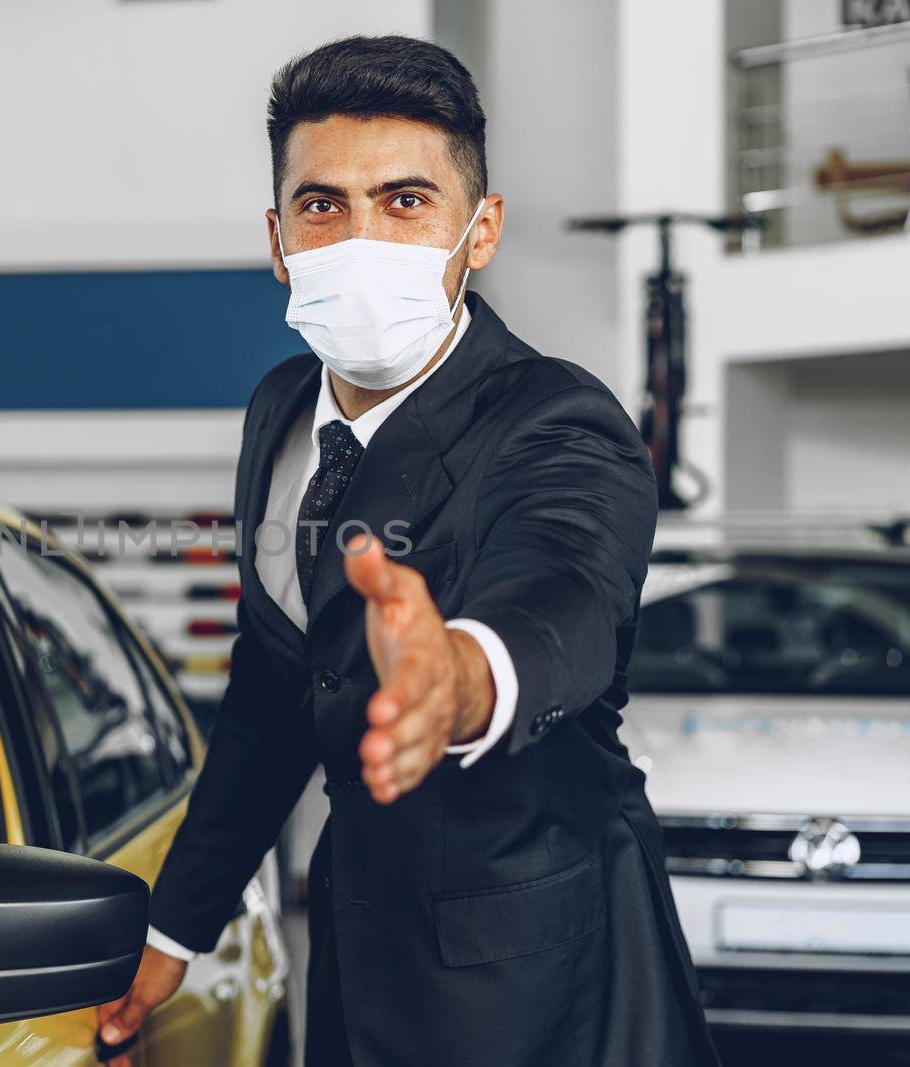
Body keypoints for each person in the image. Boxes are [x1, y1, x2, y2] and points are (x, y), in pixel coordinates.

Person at [96, 34, 720, 1067]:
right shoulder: (279, 411)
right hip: (355, 957)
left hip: (539, 985)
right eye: (323, 205)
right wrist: (175, 931)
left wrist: (460, 674)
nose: (359, 236)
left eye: (404, 201)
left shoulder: (556, 418)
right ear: (277, 236)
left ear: (480, 232)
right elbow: (272, 693)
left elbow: (566, 593)